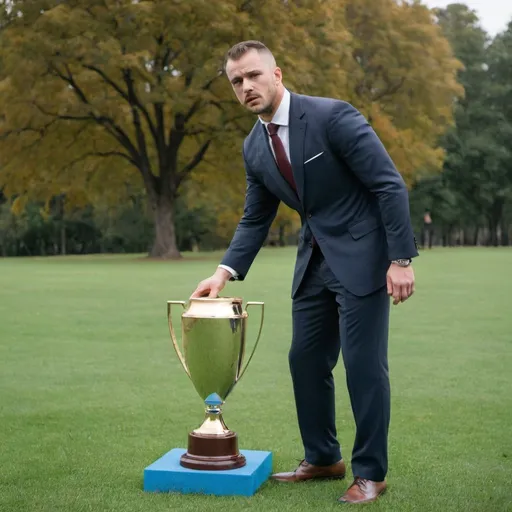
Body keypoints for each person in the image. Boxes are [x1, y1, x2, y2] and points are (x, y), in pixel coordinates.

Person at [191, 40, 418, 504]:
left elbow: (388, 184)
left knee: (363, 366)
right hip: (312, 263)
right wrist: (223, 273)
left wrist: (400, 260)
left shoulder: (332, 116)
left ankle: (370, 473)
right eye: (237, 82)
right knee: (305, 360)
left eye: (254, 75)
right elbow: (256, 217)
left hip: (363, 257)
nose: (246, 86)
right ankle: (323, 458)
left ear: (277, 74)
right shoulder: (254, 147)